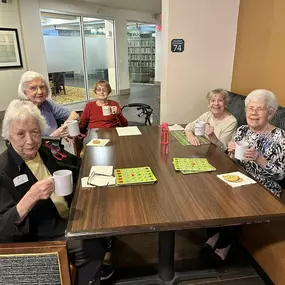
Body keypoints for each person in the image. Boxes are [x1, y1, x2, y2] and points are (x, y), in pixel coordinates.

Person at [0, 100, 106, 285]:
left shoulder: (44, 149)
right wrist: (31, 197)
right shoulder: (3, 170)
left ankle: (95, 268)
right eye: (20, 134)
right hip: (41, 234)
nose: (30, 141)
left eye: (34, 132)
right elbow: (3, 230)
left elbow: (75, 164)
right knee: (90, 244)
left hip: (69, 215)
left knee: (104, 218)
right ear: (8, 135)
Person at [202, 89, 285, 265]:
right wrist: (231, 154)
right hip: (240, 177)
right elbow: (235, 161)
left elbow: (280, 174)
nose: (253, 113)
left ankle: (225, 243)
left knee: (238, 201)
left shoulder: (280, 138)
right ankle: (215, 232)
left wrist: (259, 158)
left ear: (270, 113)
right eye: (250, 109)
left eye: (259, 109)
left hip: (265, 185)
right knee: (210, 190)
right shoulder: (242, 131)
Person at [18, 71, 79, 137]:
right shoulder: (21, 111)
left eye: (42, 87)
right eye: (33, 88)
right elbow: (28, 142)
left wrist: (62, 128)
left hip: (56, 144)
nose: (40, 92)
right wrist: (54, 136)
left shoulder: (47, 103)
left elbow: (74, 115)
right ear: (24, 92)